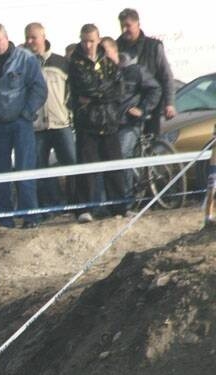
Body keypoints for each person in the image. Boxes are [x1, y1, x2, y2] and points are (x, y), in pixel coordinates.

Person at [0, 23, 47, 229]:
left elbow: (39, 88)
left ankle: (30, 216)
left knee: (24, 169)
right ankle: (5, 218)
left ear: (6, 38)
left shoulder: (25, 58)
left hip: (21, 123)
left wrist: (27, 111)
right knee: (0, 172)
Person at [69, 24, 128, 221]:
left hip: (109, 121)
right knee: (87, 169)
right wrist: (103, 91)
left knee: (114, 167)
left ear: (99, 40)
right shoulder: (75, 62)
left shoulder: (108, 61)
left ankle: (119, 208)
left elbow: (119, 89)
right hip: (87, 124)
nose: (88, 45)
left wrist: (97, 94)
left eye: (92, 41)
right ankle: (85, 209)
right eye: (84, 40)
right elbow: (85, 87)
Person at [101, 37, 161, 206]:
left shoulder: (135, 70)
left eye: (105, 52)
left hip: (130, 122)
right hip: (111, 124)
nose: (102, 56)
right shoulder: (103, 73)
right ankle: (113, 201)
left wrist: (142, 109)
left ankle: (126, 201)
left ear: (114, 51)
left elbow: (155, 89)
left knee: (121, 155)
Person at [24, 22, 77, 212]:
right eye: (27, 38)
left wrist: (67, 110)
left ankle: (76, 204)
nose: (30, 41)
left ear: (43, 37)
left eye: (34, 37)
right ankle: (53, 206)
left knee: (71, 163)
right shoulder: (25, 65)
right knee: (40, 167)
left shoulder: (61, 62)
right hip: (37, 126)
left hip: (60, 123)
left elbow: (72, 91)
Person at [116, 8, 175, 136]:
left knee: (151, 141)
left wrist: (169, 103)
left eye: (128, 25)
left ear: (138, 24)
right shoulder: (116, 47)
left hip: (150, 104)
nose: (124, 30)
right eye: (122, 26)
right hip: (126, 107)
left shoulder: (153, 46)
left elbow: (166, 76)